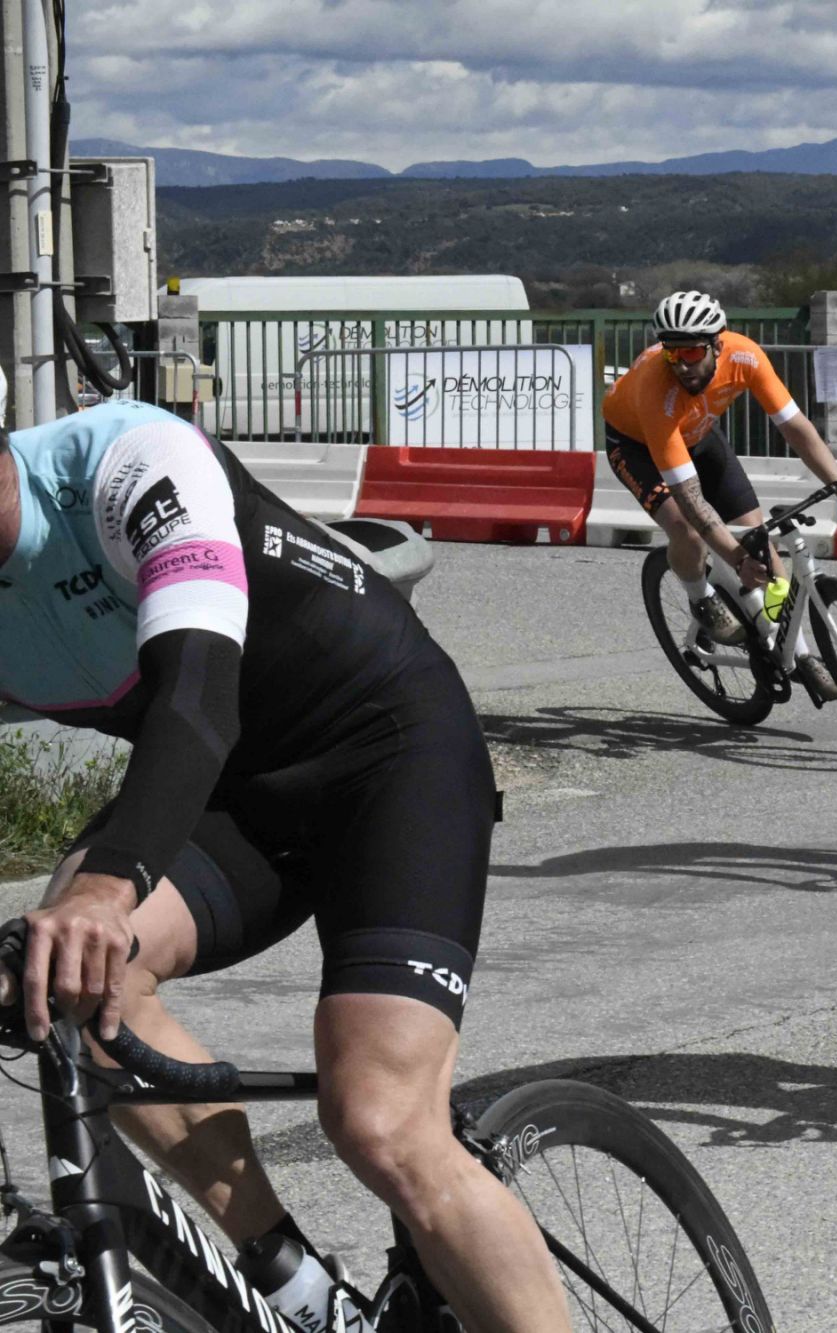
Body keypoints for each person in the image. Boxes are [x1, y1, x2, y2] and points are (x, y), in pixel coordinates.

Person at [0, 379, 570, 1330]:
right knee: (75, 979)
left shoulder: (126, 462)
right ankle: (302, 1289)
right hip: (234, 797)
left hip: (387, 748)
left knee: (381, 1121)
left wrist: (107, 885)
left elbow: (196, 697)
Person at [603, 290, 837, 700]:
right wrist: (736, 560)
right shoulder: (656, 390)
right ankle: (701, 597)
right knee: (686, 530)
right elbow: (692, 501)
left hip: (699, 434)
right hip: (635, 445)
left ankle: (799, 653)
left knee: (758, 535)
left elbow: (795, 428)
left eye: (691, 352)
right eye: (671, 353)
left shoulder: (745, 356)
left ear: (717, 344)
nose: (681, 365)